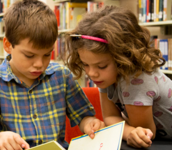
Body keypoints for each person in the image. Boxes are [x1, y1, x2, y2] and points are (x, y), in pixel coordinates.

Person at [0, 0, 104, 149]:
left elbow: (84, 116)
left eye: (46, 55)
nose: (39, 64)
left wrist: (90, 124)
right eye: (29, 55)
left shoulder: (62, 76)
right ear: (7, 45)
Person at [65, 5, 172, 148]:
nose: (91, 73)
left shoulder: (138, 80)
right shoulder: (107, 77)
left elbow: (145, 134)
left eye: (101, 66)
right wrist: (129, 132)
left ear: (123, 58)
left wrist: (129, 132)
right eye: (86, 64)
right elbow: (110, 117)